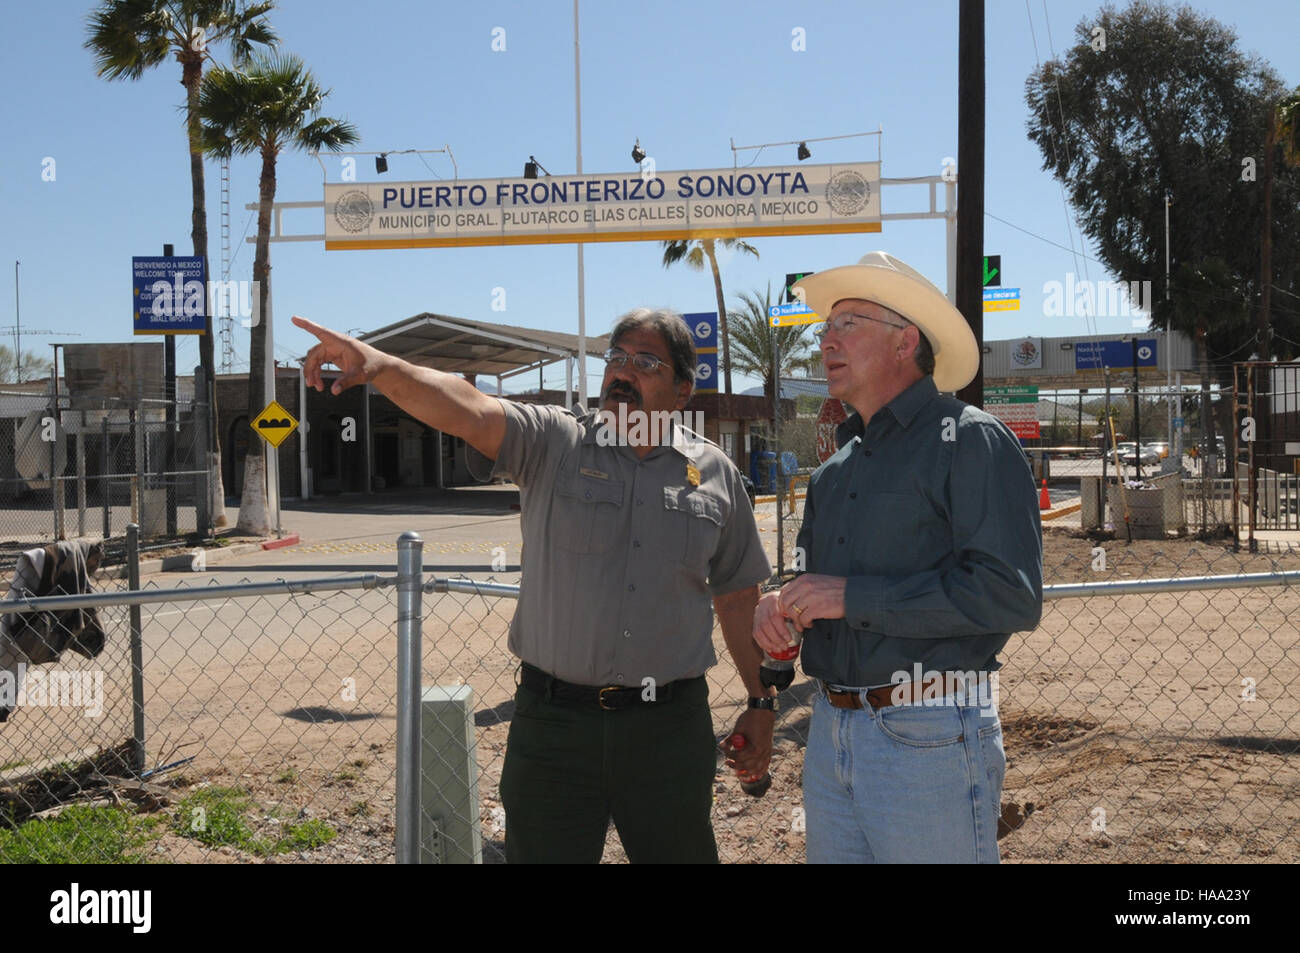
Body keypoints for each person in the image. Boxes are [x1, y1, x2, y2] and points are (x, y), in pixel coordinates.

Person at [295, 308, 774, 863]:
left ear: (683, 389)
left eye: (644, 362)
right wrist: (380, 366)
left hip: (668, 730)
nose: (622, 372)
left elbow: (738, 597)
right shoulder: (555, 442)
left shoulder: (715, 476)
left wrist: (760, 701)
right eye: (615, 357)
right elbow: (468, 408)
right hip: (555, 730)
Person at [753, 252, 1043, 864]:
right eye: (825, 327)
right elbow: (820, 587)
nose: (825, 339)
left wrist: (848, 597)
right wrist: (782, 611)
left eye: (847, 323)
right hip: (830, 730)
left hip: (930, 733)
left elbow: (1009, 594)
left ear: (906, 340)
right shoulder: (835, 471)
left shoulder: (970, 440)